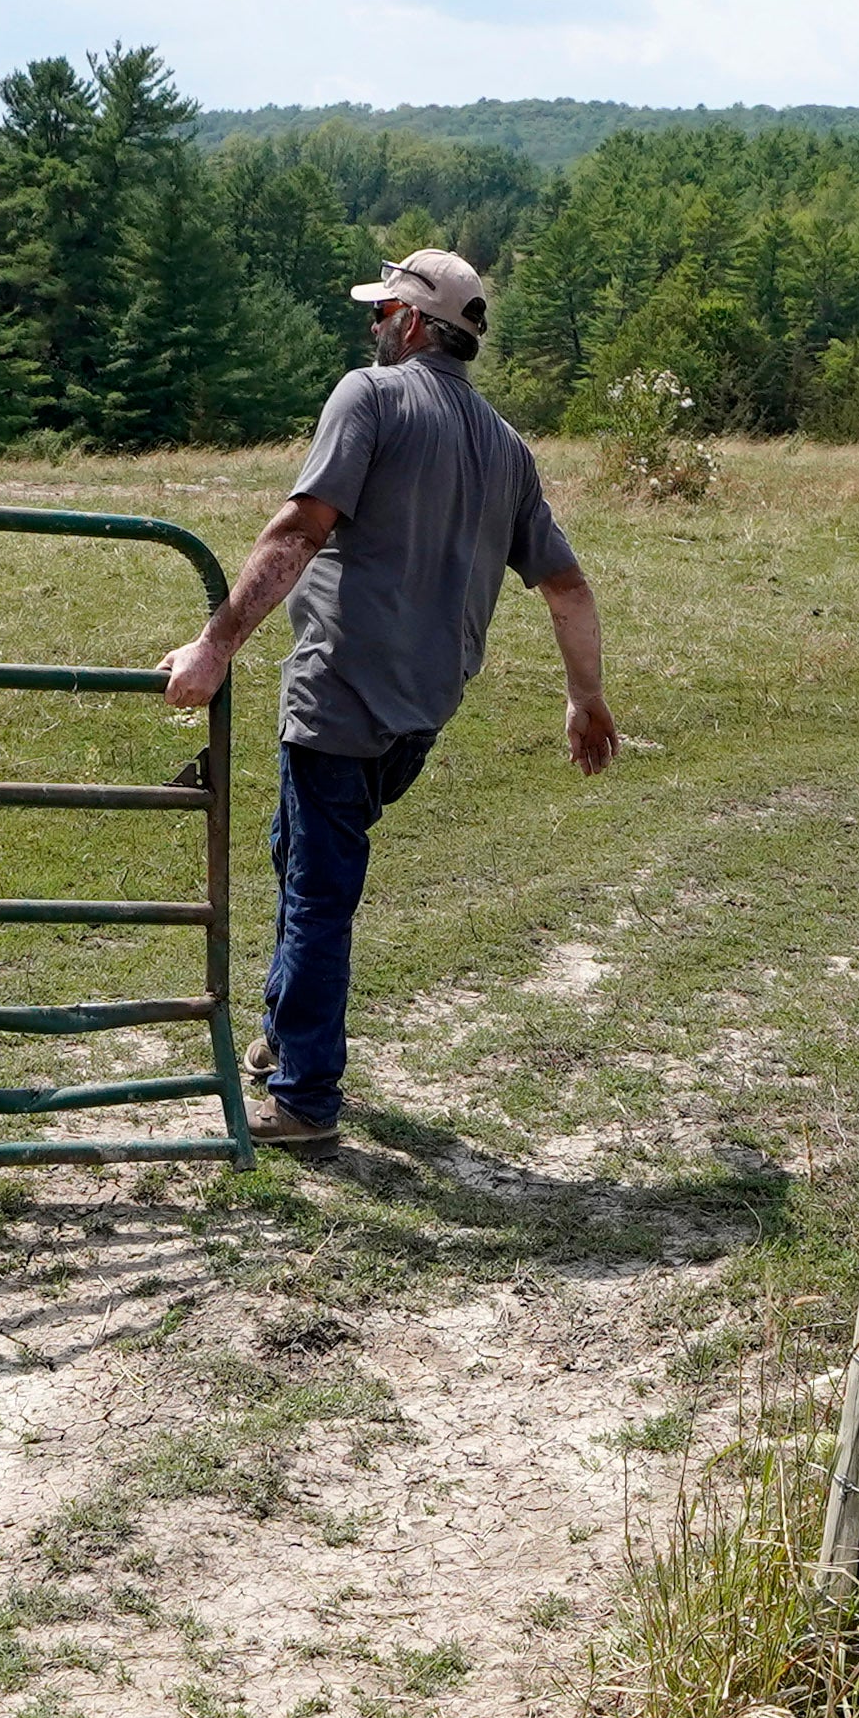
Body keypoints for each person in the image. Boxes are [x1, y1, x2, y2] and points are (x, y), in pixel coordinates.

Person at [158, 248, 615, 1150]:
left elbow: (300, 529)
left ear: (411, 324)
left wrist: (215, 645)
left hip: (340, 693)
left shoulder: (369, 396)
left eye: (382, 312)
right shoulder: (508, 448)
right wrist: (586, 698)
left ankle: (304, 1098)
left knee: (319, 892)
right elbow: (567, 587)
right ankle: (284, 1033)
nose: (372, 325)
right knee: (300, 852)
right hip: (420, 714)